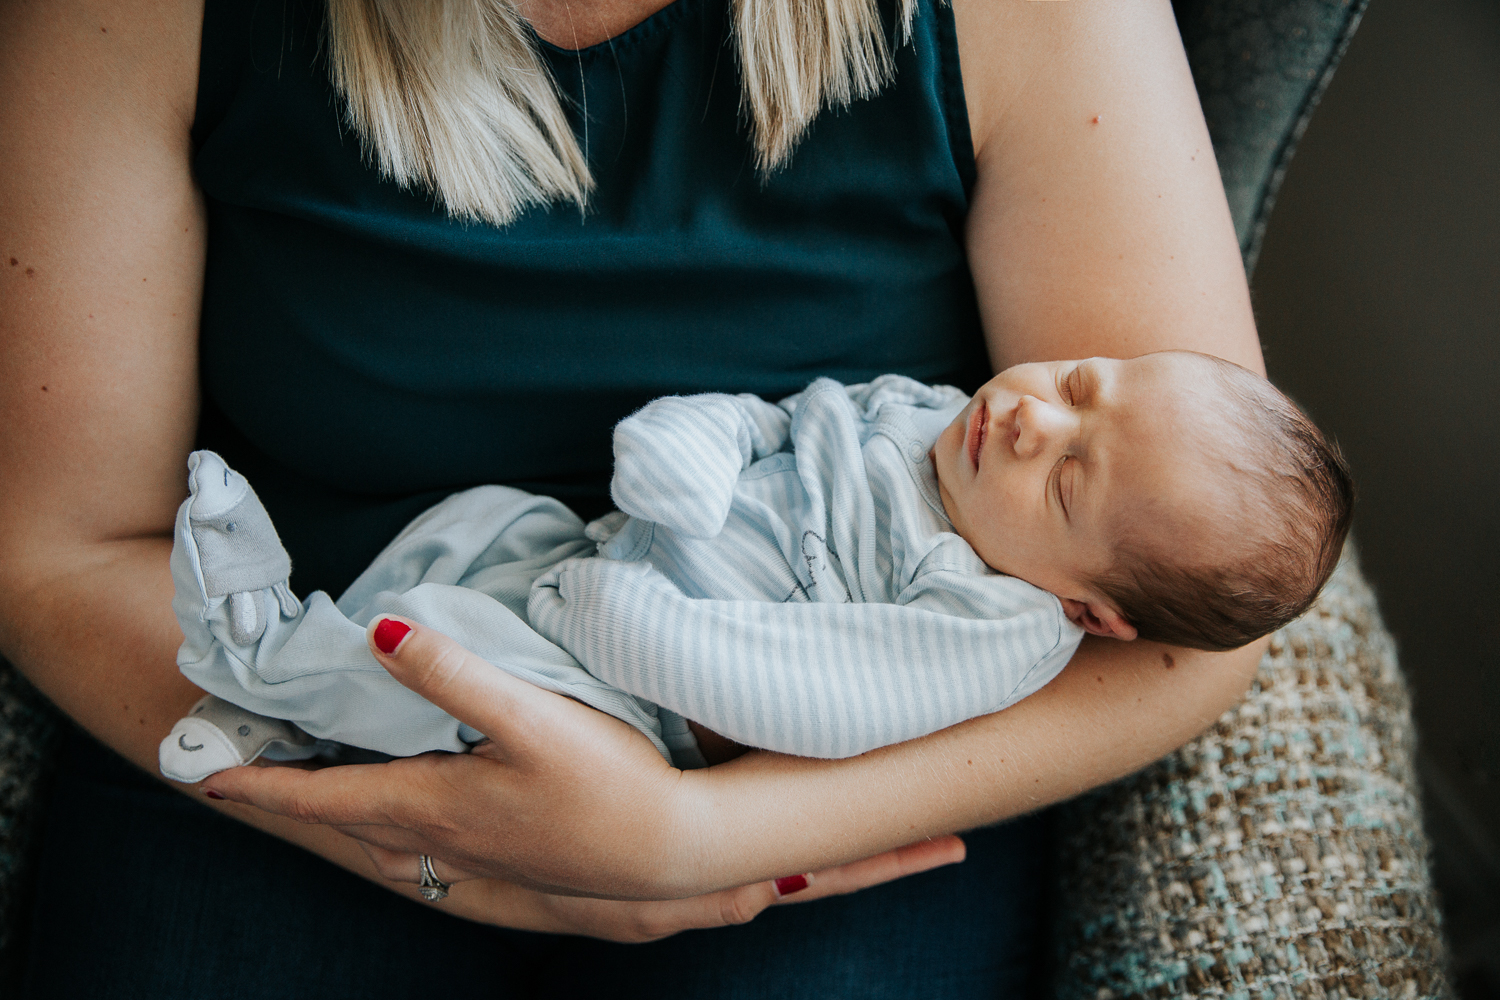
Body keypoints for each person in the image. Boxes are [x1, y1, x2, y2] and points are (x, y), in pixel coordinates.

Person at [0, 0, 1274, 994]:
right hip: (318, 712)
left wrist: (686, 833)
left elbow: (1188, 627)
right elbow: (55, 547)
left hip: (795, 800)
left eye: (1070, 446)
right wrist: (408, 824)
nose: (1039, 415)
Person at [157, 354, 1350, 785]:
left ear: (1088, 609)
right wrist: (690, 443)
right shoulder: (941, 417)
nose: (1036, 420)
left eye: (1072, 483)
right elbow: (785, 419)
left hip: (643, 698)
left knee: (441, 659)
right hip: (597, 557)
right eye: (1086, 383)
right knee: (471, 525)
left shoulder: (998, 622)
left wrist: (638, 631)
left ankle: (254, 647)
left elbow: (821, 693)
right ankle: (288, 712)